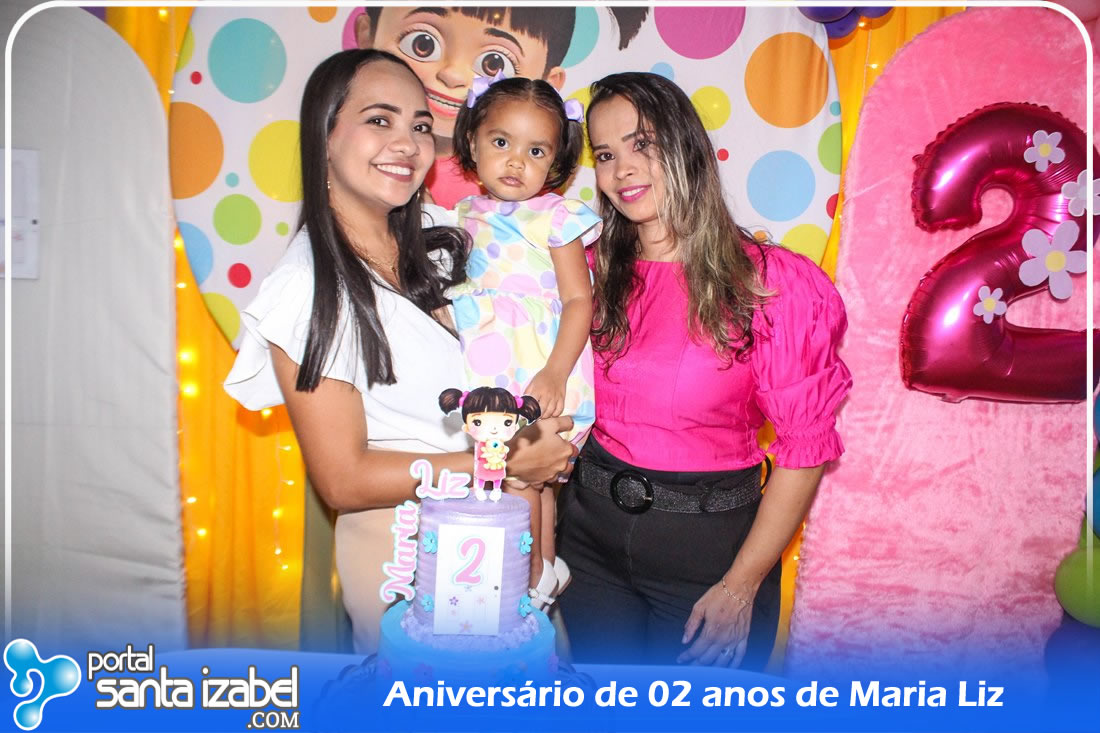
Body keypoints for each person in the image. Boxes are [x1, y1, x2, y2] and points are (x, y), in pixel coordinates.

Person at [223, 49, 575, 654]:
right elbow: (343, 478)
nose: (407, 143)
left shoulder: (443, 239)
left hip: (506, 544)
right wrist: (503, 461)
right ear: (325, 136)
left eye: (420, 125)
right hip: (410, 556)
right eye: (379, 120)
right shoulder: (306, 288)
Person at [556, 72, 853, 669]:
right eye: (606, 155)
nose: (621, 170)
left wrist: (742, 586)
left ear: (686, 146)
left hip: (710, 559)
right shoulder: (582, 275)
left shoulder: (770, 282)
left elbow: (804, 449)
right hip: (586, 544)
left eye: (642, 144)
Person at [446, 75, 602, 609]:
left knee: (522, 478)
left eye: (536, 151)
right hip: (493, 360)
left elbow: (579, 301)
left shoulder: (555, 215)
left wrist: (555, 373)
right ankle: (546, 570)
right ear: (473, 142)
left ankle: (527, 584)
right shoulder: (465, 214)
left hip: (539, 364)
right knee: (534, 482)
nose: (516, 161)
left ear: (556, 161)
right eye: (501, 142)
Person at [355, 6, 649, 206]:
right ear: (367, 37)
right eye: (423, 44)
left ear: (549, 82)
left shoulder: (541, 204)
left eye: (493, 63)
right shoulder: (373, 161)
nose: (452, 75)